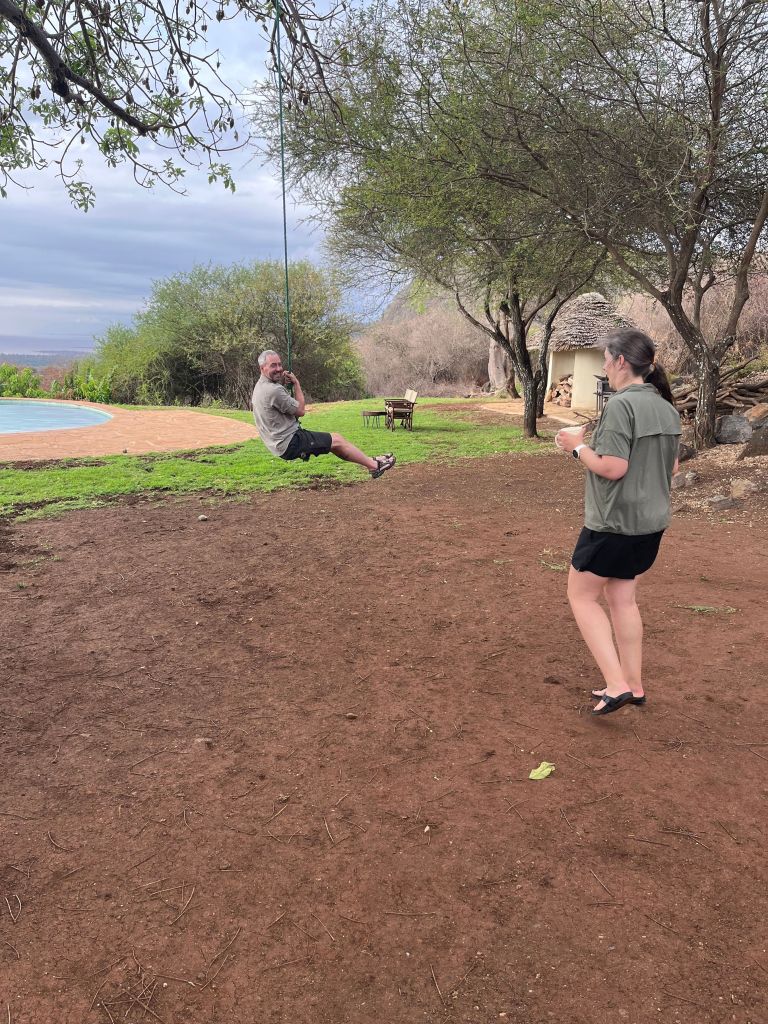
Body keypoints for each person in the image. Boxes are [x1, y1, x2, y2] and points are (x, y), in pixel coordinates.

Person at [555, 329, 681, 716]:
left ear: (621, 361)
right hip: (650, 525)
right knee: (622, 598)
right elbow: (672, 467)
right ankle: (634, 684)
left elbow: (612, 467)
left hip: (613, 525)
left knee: (581, 596)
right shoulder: (666, 407)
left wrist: (576, 447)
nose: (605, 367)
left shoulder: (621, 405)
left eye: (606, 360)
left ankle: (616, 685)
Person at [252, 350, 396, 478]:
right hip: (289, 442)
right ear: (262, 368)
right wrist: (296, 384)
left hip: (277, 443)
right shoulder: (273, 390)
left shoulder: (260, 387)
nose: (279, 369)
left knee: (335, 444)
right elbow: (300, 411)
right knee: (337, 440)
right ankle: (374, 466)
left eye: (279, 364)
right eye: (273, 365)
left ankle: (371, 462)